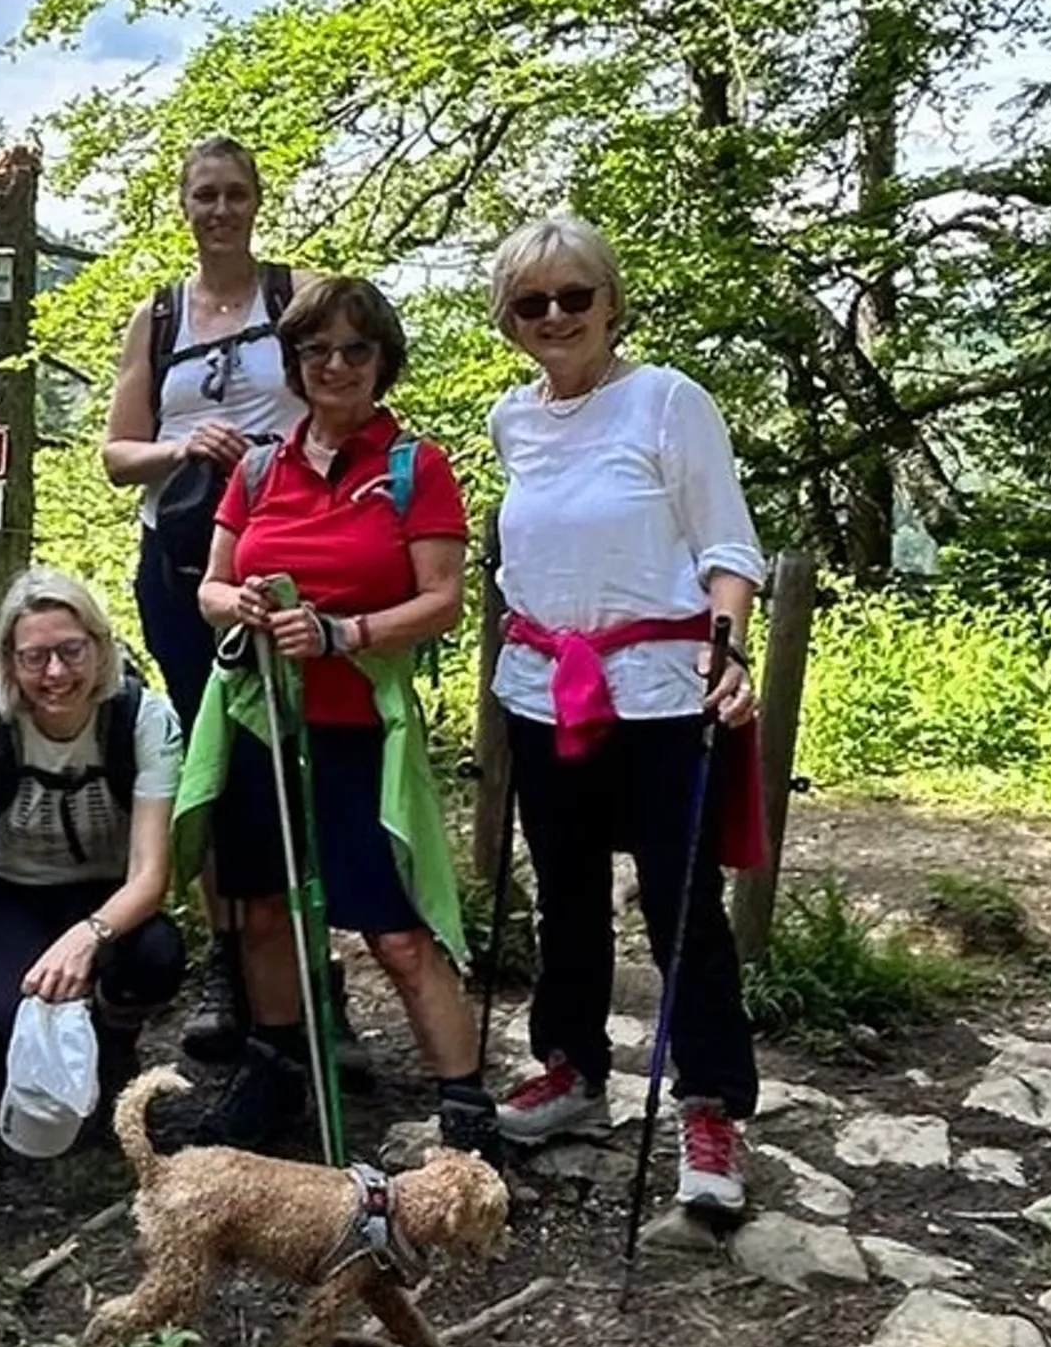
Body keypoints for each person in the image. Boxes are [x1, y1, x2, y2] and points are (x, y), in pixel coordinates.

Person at [481, 212, 767, 1219]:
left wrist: (727, 651)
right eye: (533, 301)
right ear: (509, 320)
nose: (557, 315)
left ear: (610, 300)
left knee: (677, 899)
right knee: (563, 887)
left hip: (658, 689)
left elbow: (727, 546)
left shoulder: (666, 401)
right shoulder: (511, 421)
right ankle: (571, 1064)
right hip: (544, 685)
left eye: (575, 294)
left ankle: (708, 1103)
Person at [176, 273, 495, 1156]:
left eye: (355, 350)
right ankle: (278, 1065)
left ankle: (465, 1103)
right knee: (266, 907)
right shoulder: (258, 466)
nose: (335, 366)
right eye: (316, 350)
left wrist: (342, 631)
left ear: (382, 361)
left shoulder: (412, 467)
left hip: (359, 726)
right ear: (295, 363)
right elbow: (208, 584)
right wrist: (236, 604)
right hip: (261, 723)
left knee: (392, 925)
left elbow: (442, 600)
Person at [0, 569, 186, 1150]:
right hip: (3, 891)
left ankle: (113, 1050)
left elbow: (151, 876)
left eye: (70, 652)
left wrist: (86, 938)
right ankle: (8, 1086)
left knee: (155, 956)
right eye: (34, 658)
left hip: (107, 895)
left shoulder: (143, 719)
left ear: (101, 648)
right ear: (9, 661)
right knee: (24, 1015)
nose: (55, 674)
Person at [97, 137, 298, 729]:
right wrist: (184, 447)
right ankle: (208, 826)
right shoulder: (158, 317)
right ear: (184, 206)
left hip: (281, 541)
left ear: (258, 203)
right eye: (206, 195)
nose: (222, 210)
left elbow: (349, 406)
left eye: (236, 194)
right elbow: (116, 457)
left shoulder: (298, 298)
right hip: (176, 555)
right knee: (203, 722)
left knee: (286, 729)